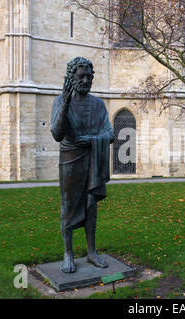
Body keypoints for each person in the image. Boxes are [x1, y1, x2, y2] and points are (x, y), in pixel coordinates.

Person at [51, 57, 114, 273]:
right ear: (71, 78)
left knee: (90, 206)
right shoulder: (60, 101)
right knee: (68, 207)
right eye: (81, 76)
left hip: (93, 159)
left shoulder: (98, 104)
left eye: (89, 76)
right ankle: (68, 253)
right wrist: (66, 102)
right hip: (70, 158)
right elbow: (57, 134)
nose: (86, 80)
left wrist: (91, 140)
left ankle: (91, 251)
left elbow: (110, 132)